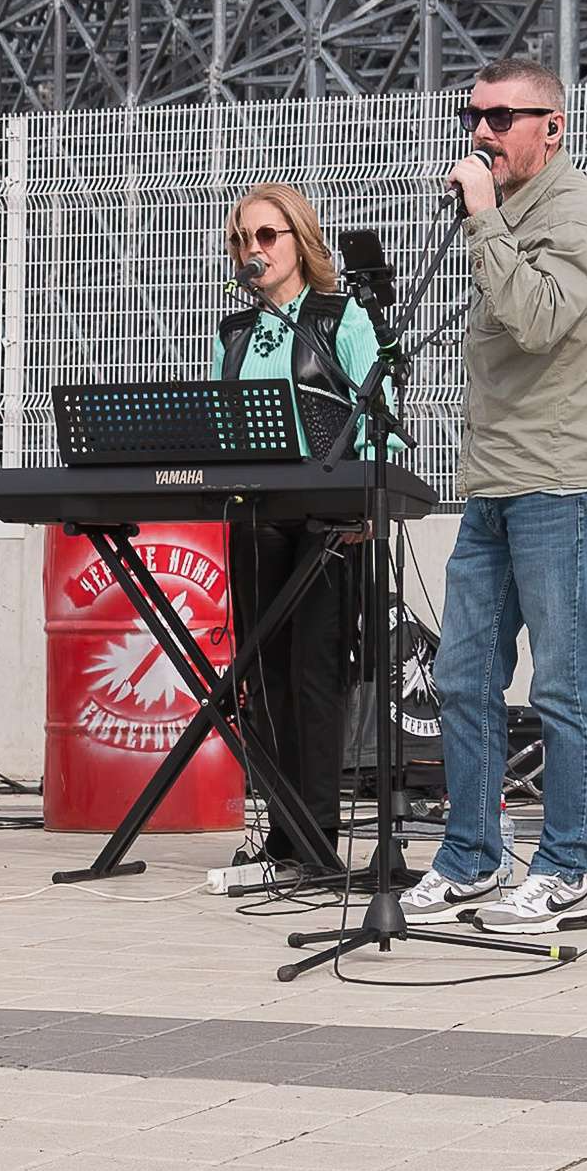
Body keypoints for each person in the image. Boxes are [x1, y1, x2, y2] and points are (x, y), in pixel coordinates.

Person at [399, 56, 587, 934]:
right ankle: (469, 856)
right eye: (474, 116)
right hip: (496, 482)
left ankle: (564, 865)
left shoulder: (573, 213)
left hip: (564, 481)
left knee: (564, 685)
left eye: (503, 116)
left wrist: (486, 219)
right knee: (461, 676)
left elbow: (536, 319)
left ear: (554, 126)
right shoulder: (505, 214)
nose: (483, 132)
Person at [211, 182, 386, 875]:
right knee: (266, 676)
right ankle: (282, 831)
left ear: (300, 241)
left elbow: (379, 413)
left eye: (267, 235)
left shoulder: (340, 318)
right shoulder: (235, 333)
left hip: (327, 514)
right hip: (256, 512)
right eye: (241, 239)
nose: (253, 249)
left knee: (316, 672)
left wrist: (367, 495)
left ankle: (316, 834)